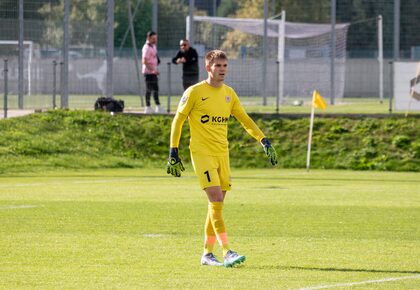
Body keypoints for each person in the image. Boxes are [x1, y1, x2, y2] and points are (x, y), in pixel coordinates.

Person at [166, 50, 278, 268]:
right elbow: (178, 121)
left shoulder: (229, 94)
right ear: (208, 68)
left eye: (225, 66)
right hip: (202, 153)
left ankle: (207, 254)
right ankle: (227, 251)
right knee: (216, 199)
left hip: (222, 154)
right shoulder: (195, 92)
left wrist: (263, 140)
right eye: (218, 66)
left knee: (215, 205)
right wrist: (173, 150)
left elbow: (244, 119)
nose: (223, 70)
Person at [142, 31, 163, 114]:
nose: (155, 40)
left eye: (155, 38)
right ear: (148, 38)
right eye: (153, 38)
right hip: (148, 72)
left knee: (155, 89)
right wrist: (153, 70)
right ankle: (147, 107)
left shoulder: (153, 46)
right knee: (149, 89)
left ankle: (157, 106)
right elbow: (144, 61)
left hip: (153, 72)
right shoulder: (146, 47)